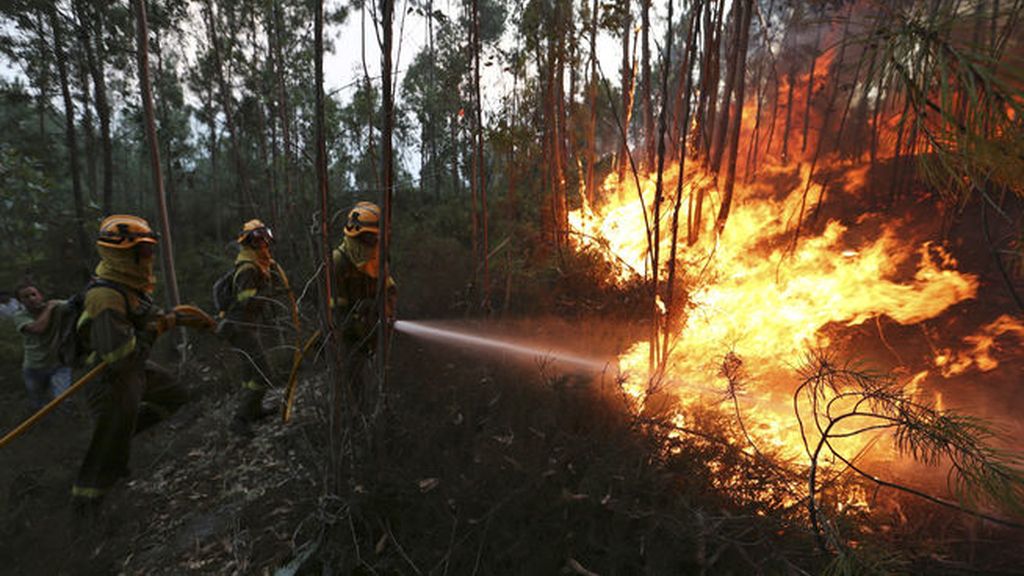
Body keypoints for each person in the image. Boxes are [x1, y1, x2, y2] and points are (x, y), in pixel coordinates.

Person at [72, 214, 212, 515]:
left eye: (150, 250)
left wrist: (177, 317)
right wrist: (163, 326)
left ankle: (120, 434)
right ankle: (86, 510)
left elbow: (145, 318)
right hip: (110, 377)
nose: (149, 257)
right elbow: (119, 357)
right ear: (123, 254)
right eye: (144, 251)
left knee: (175, 395)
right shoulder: (105, 296)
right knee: (108, 445)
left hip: (132, 371)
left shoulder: (129, 285)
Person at [331, 201, 396, 408]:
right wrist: (359, 322)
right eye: (371, 237)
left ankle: (385, 407)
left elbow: (390, 290)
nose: (375, 242)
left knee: (386, 373)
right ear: (356, 235)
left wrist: (383, 310)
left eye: (378, 237)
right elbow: (336, 316)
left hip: (375, 327)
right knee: (355, 378)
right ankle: (359, 419)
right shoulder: (338, 262)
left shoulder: (379, 258)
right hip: (350, 336)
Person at [224, 219, 283, 437]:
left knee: (250, 375)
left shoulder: (258, 263)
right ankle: (239, 420)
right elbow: (246, 301)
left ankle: (254, 410)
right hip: (240, 328)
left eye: (265, 237)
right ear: (248, 242)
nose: (264, 242)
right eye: (258, 238)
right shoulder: (248, 268)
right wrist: (271, 294)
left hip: (247, 325)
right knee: (262, 373)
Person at [12, 280, 72, 410]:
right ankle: (45, 425)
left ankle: (65, 424)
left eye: (34, 294)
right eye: (26, 297)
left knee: (63, 400)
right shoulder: (20, 316)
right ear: (20, 301)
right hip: (34, 367)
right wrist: (49, 308)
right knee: (38, 404)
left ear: (40, 295)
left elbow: (75, 304)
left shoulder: (58, 306)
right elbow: (38, 329)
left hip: (59, 363)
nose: (31, 299)